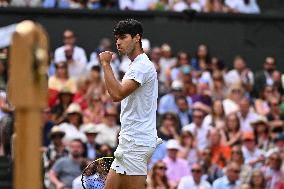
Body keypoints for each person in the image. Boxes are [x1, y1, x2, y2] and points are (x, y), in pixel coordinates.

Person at [98, 19, 160, 189]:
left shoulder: (141, 66)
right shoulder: (135, 65)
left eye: (123, 37)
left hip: (136, 143)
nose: (118, 42)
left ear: (136, 38)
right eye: (116, 38)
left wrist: (105, 64)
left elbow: (117, 94)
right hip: (129, 141)